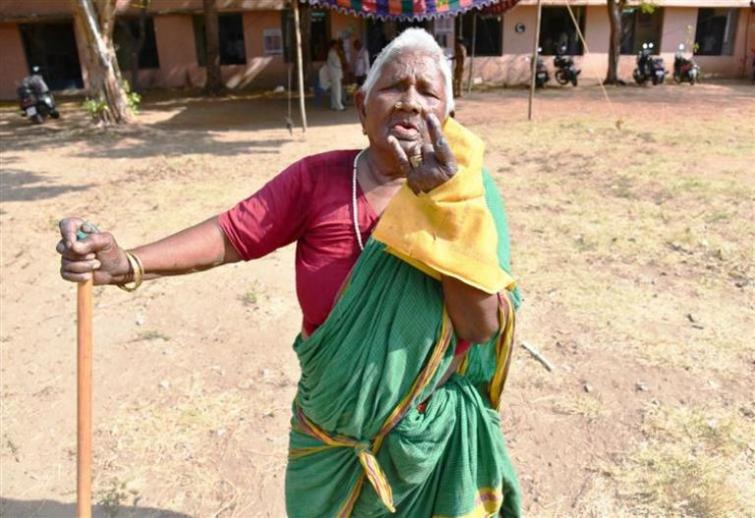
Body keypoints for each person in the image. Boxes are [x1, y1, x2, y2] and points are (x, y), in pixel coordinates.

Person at [57, 28, 521, 517]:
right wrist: (127, 262)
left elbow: (479, 326)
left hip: (423, 442)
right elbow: (232, 235)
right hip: (327, 437)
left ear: (449, 118)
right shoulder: (316, 179)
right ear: (361, 107)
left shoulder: (470, 200)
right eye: (393, 86)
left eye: (427, 92)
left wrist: (444, 208)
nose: (409, 101)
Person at [326, 39, 346, 111]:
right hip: (335, 74)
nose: (337, 46)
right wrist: (340, 54)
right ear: (333, 45)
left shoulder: (333, 52)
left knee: (334, 90)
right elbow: (336, 63)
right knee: (337, 90)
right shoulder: (332, 53)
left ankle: (334, 105)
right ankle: (339, 106)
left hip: (335, 73)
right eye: (336, 45)